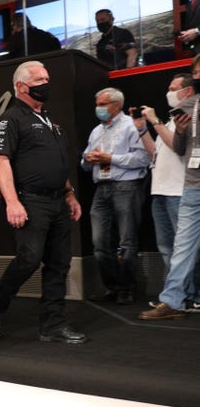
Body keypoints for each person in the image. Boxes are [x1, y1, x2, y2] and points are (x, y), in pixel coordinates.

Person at [0, 60, 86, 344]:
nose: (46, 84)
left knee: (59, 263)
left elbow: (57, 163)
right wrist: (12, 202)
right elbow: (1, 162)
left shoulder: (50, 121)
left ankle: (52, 326)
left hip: (58, 202)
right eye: (40, 80)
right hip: (31, 201)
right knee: (28, 259)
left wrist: (69, 194)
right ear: (21, 87)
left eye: (47, 78)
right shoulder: (10, 119)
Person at [139, 54, 200, 319]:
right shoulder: (191, 107)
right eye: (195, 72)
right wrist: (184, 132)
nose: (198, 76)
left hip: (181, 188)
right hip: (192, 186)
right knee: (182, 247)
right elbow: (179, 147)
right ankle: (173, 300)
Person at [80, 87, 151, 304]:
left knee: (126, 241)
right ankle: (111, 286)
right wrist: (88, 159)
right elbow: (84, 163)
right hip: (101, 188)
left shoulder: (132, 126)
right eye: (97, 104)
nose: (98, 108)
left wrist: (110, 158)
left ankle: (126, 288)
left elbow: (144, 159)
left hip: (126, 186)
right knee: (99, 243)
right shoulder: (95, 131)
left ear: (116, 105)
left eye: (102, 104)